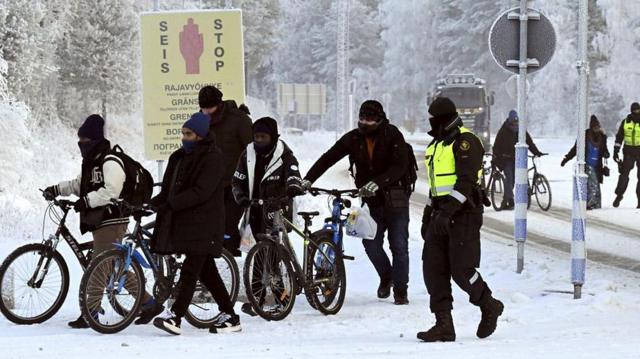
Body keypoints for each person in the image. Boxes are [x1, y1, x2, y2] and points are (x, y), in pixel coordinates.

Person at [43, 114, 160, 329]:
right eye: (80, 140)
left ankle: (91, 313)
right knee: (112, 267)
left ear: (95, 139)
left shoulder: (110, 160)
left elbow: (111, 191)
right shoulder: (91, 162)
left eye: (85, 140)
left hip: (113, 217)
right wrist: (57, 189)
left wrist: (86, 202)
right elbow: (79, 185)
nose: (82, 144)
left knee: (99, 264)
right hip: (100, 219)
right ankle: (149, 302)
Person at [302, 100, 410, 305]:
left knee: (399, 245)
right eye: (362, 118)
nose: (365, 123)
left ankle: (401, 290)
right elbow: (329, 158)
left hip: (396, 201)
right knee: (371, 243)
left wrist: (377, 183)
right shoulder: (354, 138)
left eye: (369, 119)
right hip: (372, 202)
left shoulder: (393, 135)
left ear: (379, 119)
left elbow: (400, 166)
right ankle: (387, 276)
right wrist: (309, 179)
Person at [417, 97, 503, 342]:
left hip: (463, 213)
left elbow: (465, 182)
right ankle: (444, 324)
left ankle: (488, 304)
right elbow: (436, 186)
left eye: (433, 118)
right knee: (433, 269)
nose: (431, 122)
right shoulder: (437, 145)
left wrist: (448, 211)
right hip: (439, 214)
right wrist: (430, 212)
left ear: (443, 118)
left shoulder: (466, 141)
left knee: (461, 270)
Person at [151, 113, 240, 335]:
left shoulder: (213, 158)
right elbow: (169, 189)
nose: (184, 138)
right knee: (207, 272)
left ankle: (176, 315)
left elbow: (201, 192)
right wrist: (152, 204)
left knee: (191, 270)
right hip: (187, 223)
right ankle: (230, 316)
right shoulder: (178, 157)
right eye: (182, 133)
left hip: (206, 224)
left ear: (200, 135)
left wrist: (171, 204)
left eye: (188, 134)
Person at [231, 117, 305, 315]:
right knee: (259, 250)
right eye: (256, 137)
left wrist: (294, 185)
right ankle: (261, 296)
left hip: (278, 207)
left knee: (273, 252)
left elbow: (293, 172)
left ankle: (273, 295)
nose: (259, 141)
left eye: (263, 137)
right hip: (255, 208)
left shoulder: (284, 154)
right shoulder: (248, 153)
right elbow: (237, 180)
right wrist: (240, 196)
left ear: (273, 137)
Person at [199, 86, 253, 256]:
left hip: (236, 183)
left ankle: (232, 255)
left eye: (210, 108)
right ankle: (224, 256)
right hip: (212, 185)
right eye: (203, 108)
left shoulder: (239, 120)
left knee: (228, 223)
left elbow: (252, 150)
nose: (206, 111)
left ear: (219, 104)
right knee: (210, 225)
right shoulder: (201, 121)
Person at [492, 110, 545, 210]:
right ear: (510, 121)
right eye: (514, 122)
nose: (515, 124)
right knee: (510, 179)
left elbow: (529, 142)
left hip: (517, 159)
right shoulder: (503, 131)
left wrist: (537, 152)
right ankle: (511, 201)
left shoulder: (521, 131)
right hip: (505, 159)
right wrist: (496, 158)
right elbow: (497, 146)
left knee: (515, 180)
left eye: (517, 122)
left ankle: (505, 201)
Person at [561, 115, 610, 209]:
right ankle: (590, 204)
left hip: (598, 166)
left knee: (595, 185)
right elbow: (576, 149)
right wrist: (566, 159)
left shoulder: (603, 138)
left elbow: (605, 150)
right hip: (586, 165)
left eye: (598, 127)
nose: (597, 129)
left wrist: (606, 154)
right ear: (591, 127)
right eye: (595, 127)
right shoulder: (584, 136)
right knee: (593, 185)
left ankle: (596, 205)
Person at [612, 102, 640, 208]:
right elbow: (619, 137)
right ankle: (619, 195)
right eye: (634, 110)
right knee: (624, 175)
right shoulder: (625, 122)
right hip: (628, 152)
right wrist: (616, 151)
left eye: (638, 110)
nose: (636, 112)